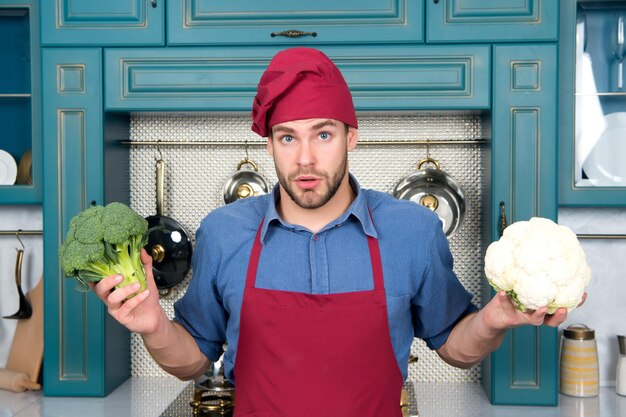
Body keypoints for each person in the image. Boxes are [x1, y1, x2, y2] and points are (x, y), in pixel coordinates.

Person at [93, 47, 574, 417]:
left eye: (323, 134)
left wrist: (493, 319)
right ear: (271, 145)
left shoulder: (413, 230)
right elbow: (195, 359)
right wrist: (155, 328)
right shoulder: (223, 232)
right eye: (288, 137)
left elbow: (454, 345)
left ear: (351, 137)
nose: (305, 159)